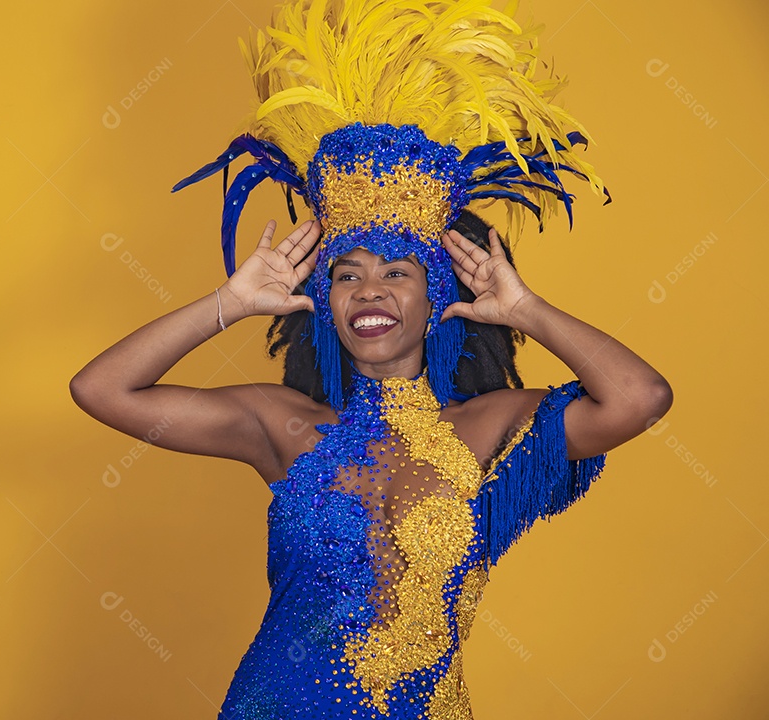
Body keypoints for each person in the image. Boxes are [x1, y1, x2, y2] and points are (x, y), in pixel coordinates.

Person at [71, 1, 673, 716]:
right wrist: (228, 302)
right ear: (324, 300)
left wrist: (527, 311)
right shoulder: (282, 424)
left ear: (436, 295)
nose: (369, 290)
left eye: (397, 272)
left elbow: (641, 397)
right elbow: (100, 388)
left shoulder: (491, 429)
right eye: (346, 273)